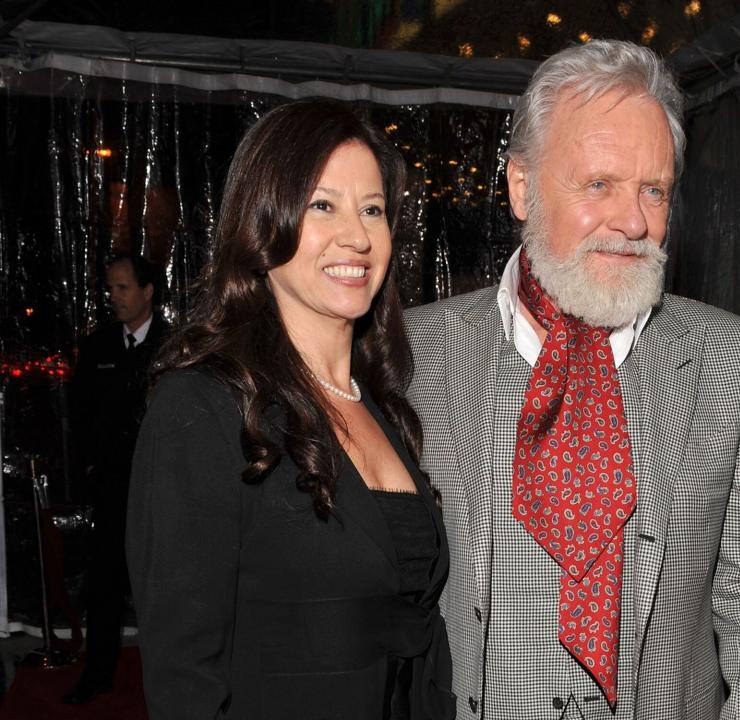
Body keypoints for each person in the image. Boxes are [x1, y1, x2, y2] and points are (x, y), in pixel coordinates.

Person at [405, 40, 740, 720]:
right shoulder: (414, 351)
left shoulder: (730, 359)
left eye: (654, 189)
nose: (634, 221)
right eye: (599, 185)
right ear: (522, 188)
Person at [126, 100, 455, 720]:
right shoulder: (203, 406)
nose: (356, 236)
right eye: (322, 205)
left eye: (373, 209)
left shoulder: (385, 402)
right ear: (263, 220)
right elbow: (182, 677)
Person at [65, 254, 168, 704]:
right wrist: (89, 467)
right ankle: (97, 674)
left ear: (148, 292)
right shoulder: (97, 347)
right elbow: (80, 415)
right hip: (111, 487)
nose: (114, 297)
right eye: (110, 289)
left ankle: (170, 681)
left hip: (162, 491)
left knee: (163, 586)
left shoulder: (174, 346)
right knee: (104, 584)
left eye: (123, 288)